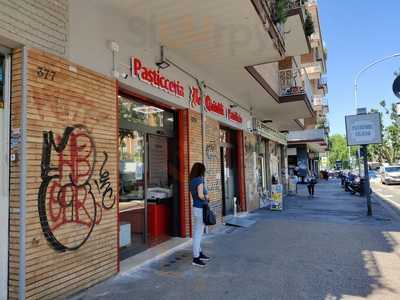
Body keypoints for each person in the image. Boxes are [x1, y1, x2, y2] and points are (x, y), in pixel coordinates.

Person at [189, 162, 211, 267]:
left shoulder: (192, 181)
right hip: (201, 208)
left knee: (198, 232)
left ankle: (199, 253)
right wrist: (207, 198)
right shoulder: (200, 180)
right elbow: (201, 195)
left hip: (196, 208)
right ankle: (196, 258)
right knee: (198, 234)